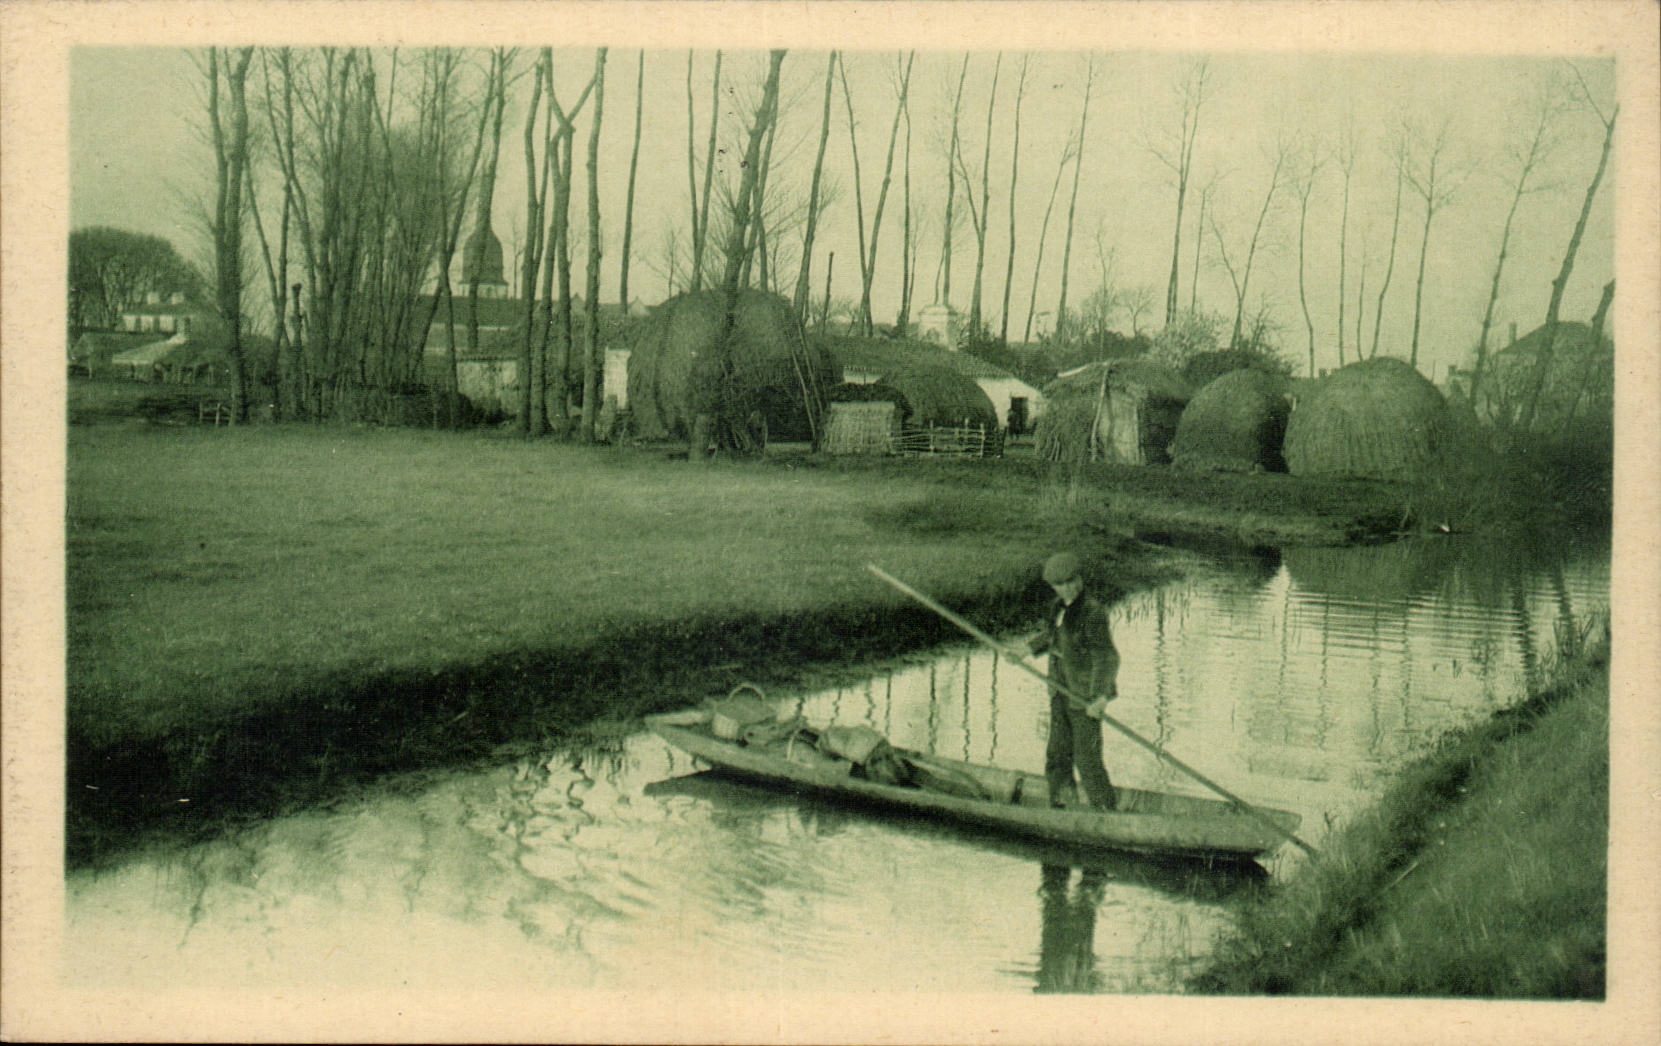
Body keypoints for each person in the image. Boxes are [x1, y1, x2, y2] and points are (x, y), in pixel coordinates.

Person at [1028, 551, 1119, 810]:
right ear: (1053, 587)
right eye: (1060, 585)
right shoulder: (1057, 607)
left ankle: (1105, 811)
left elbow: (1107, 657)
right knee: (1057, 754)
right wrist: (1026, 650)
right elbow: (1052, 637)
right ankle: (1061, 804)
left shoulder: (1092, 613)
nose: (1066, 589)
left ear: (1079, 579)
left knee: (1087, 759)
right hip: (1058, 691)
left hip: (1083, 698)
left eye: (1071, 582)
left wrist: (1101, 697)